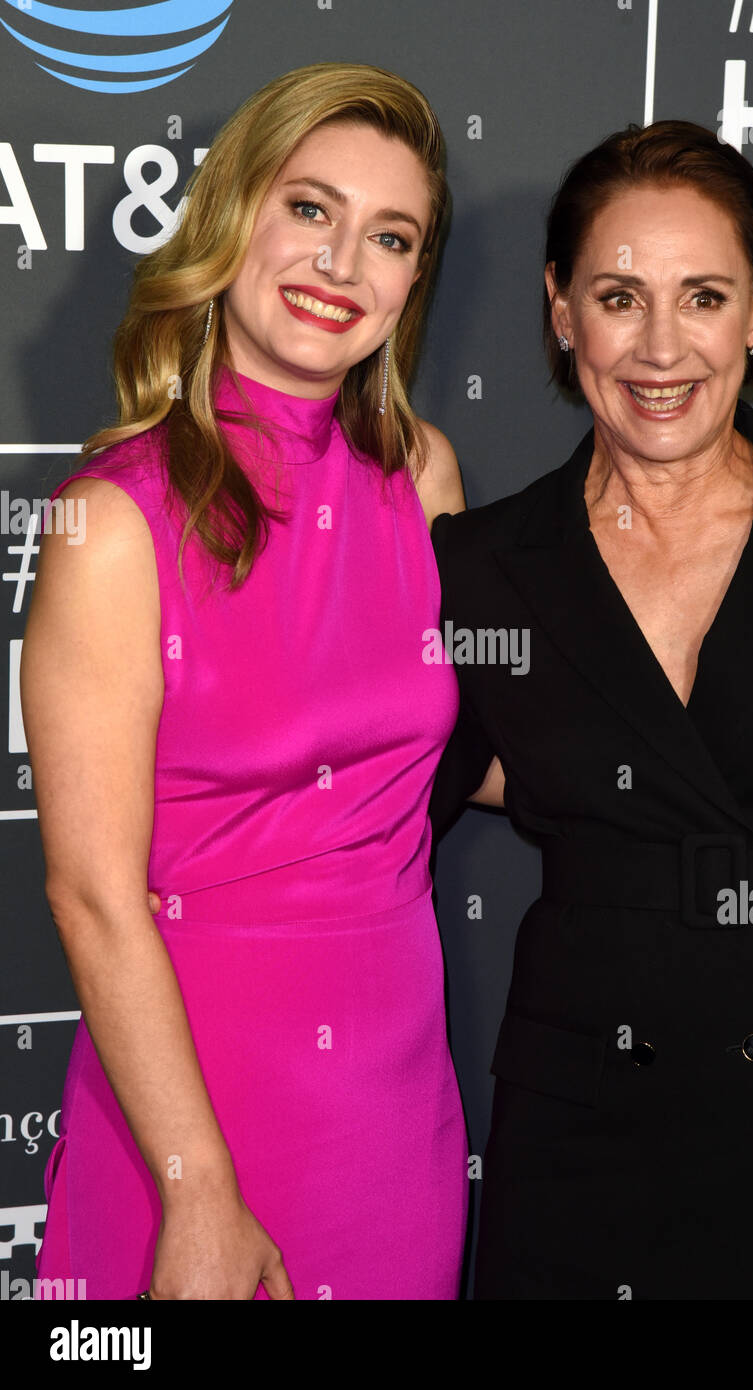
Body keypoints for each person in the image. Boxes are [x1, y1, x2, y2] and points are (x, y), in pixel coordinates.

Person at [429, 120, 753, 1299]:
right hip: (584, 1164)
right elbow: (373, 790)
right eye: (620, 295)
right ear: (561, 310)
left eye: (704, 295)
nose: (661, 347)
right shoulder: (481, 565)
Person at [23, 62, 468, 1301]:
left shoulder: (422, 474)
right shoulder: (111, 525)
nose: (342, 265)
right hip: (193, 1119)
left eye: (390, 237)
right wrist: (198, 1190)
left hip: (398, 1118)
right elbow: (92, 892)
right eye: (310, 209)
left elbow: (463, 748)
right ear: (233, 216)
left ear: (411, 282)